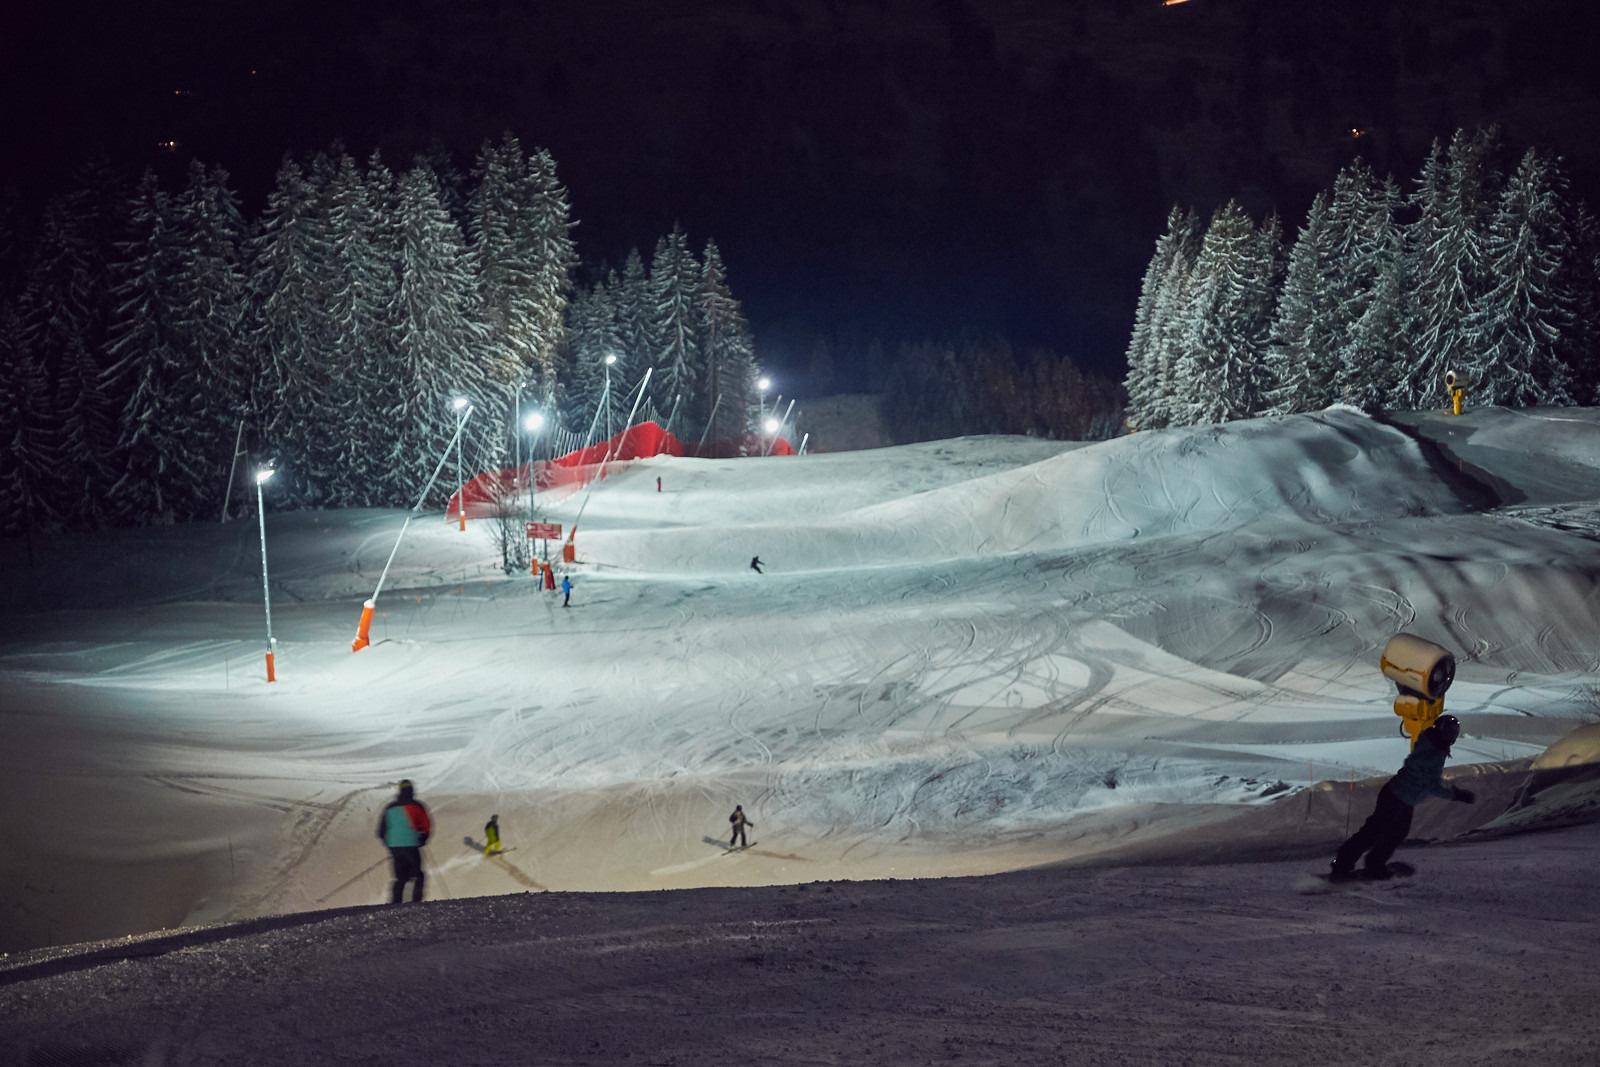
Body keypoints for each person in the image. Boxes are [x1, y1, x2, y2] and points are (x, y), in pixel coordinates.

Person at [1329, 714, 1475, 881]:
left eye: (1454, 733)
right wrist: (1456, 794)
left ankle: (1369, 864)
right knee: (1374, 832)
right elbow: (1430, 784)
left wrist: (1454, 793)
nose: (1451, 737)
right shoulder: (1433, 752)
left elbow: (1430, 780)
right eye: (1449, 733)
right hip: (1396, 797)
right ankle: (1343, 865)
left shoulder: (1434, 746)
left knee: (1393, 833)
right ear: (1441, 732)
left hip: (1403, 799)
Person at [377, 779, 432, 903]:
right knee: (417, 875)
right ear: (412, 791)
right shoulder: (417, 806)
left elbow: (381, 831)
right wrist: (422, 840)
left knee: (400, 877)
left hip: (394, 847)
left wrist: (389, 844)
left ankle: (396, 903)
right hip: (412, 845)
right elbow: (426, 827)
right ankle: (416, 902)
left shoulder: (390, 807)